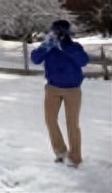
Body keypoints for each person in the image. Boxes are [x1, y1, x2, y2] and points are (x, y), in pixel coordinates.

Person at [30, 19, 90, 167]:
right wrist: (45, 45)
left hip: (73, 90)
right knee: (50, 120)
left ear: (67, 33)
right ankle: (61, 152)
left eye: (61, 32)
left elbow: (83, 61)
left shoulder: (74, 46)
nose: (59, 35)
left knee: (72, 124)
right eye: (56, 31)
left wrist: (67, 46)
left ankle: (75, 158)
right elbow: (35, 59)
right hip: (52, 89)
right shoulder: (49, 47)